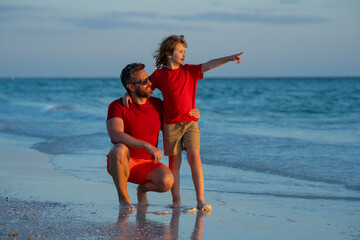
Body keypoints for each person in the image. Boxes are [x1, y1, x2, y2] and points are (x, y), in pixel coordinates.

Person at [124, 35, 244, 211]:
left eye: (184, 51)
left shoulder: (190, 71)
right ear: (168, 54)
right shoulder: (159, 75)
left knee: (195, 158)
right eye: (180, 51)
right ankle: (176, 200)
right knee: (175, 164)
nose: (184, 54)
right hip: (170, 126)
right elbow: (142, 87)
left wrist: (229, 58)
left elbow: (209, 64)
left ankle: (200, 200)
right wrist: (127, 94)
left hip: (190, 123)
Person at [106, 63, 200, 210]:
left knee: (167, 181)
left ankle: (142, 189)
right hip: (124, 163)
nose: (149, 83)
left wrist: (191, 115)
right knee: (118, 149)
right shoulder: (117, 106)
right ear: (131, 87)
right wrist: (146, 145)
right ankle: (123, 199)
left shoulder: (158, 104)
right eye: (144, 81)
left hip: (148, 165)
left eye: (148, 79)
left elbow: (174, 123)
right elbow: (115, 135)